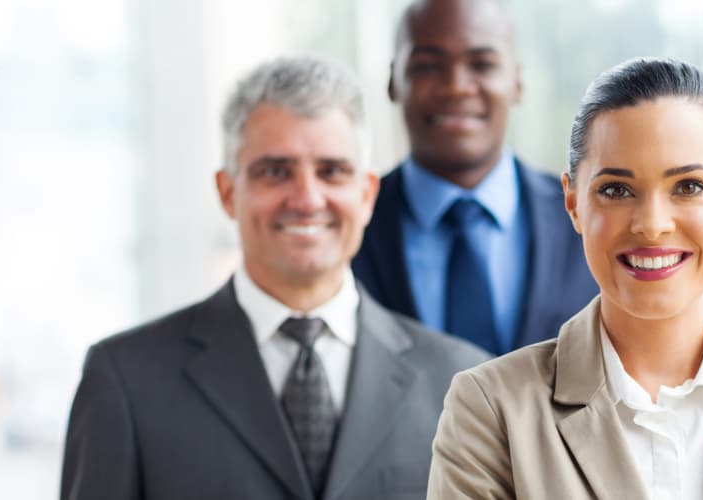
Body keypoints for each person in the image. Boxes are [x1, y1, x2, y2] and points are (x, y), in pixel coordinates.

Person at [427, 57, 703, 500]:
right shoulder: (491, 410)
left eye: (688, 187)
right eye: (616, 190)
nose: (652, 224)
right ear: (572, 204)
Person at [61, 56, 490, 500]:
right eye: (276, 172)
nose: (307, 199)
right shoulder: (126, 380)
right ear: (228, 193)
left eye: (331, 171)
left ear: (365, 195)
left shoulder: (461, 380)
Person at [353, 0, 598, 355]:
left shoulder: (589, 218)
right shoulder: (349, 226)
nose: (456, 87)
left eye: (481, 64)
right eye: (427, 66)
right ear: (393, 82)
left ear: (517, 81)